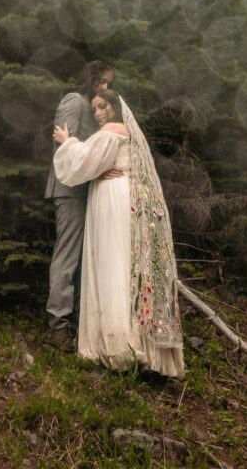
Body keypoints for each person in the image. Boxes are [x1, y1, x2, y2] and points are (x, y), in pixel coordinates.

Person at [52, 89, 184, 378]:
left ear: (114, 107)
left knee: (111, 266)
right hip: (117, 196)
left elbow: (83, 161)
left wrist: (67, 142)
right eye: (95, 108)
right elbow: (103, 164)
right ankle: (130, 340)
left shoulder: (113, 129)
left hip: (112, 200)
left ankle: (119, 344)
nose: (98, 112)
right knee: (120, 265)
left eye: (103, 106)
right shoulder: (126, 132)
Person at [44, 60, 115, 349]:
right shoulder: (73, 101)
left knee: (83, 259)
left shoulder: (93, 106)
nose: (107, 88)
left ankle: (76, 324)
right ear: (92, 80)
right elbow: (64, 149)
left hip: (87, 190)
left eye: (109, 83)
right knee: (67, 255)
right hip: (69, 189)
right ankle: (57, 327)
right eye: (104, 82)